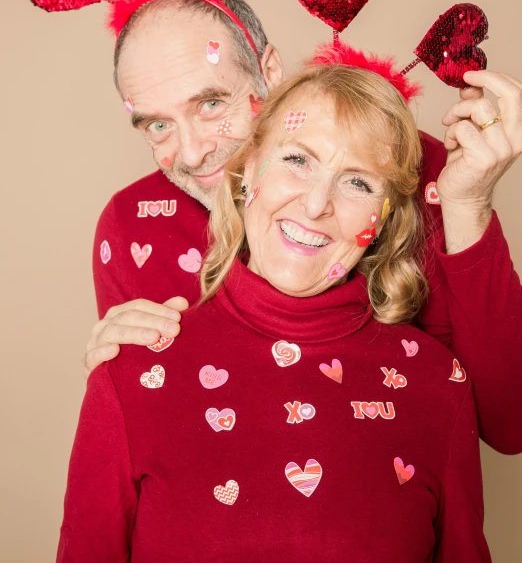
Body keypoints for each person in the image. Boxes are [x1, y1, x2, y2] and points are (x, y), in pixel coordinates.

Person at [58, 63, 491, 562]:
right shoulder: (129, 374)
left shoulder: (441, 386)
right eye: (297, 160)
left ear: (387, 216)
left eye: (358, 183)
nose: (314, 205)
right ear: (247, 170)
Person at [86, 0, 522, 455]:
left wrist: (468, 206)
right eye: (158, 124)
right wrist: (116, 386)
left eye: (211, 103)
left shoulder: (411, 174)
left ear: (269, 72)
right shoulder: (133, 227)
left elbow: (509, 425)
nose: (192, 154)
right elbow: (158, 448)